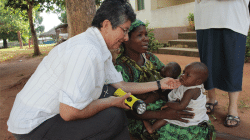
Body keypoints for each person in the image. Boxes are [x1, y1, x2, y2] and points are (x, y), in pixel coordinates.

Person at [7, 1, 187, 140]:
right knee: (114, 117)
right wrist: (111, 102)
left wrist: (159, 83)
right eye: (124, 31)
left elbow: (120, 84)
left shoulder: (97, 47)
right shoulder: (87, 51)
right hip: (33, 128)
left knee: (110, 93)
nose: (125, 38)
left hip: (44, 117)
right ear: (107, 24)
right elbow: (69, 112)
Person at [115, 19, 194, 140]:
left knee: (199, 124)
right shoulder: (121, 67)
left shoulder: (149, 57)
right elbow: (127, 109)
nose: (146, 38)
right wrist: (165, 114)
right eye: (139, 35)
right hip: (141, 117)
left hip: (164, 107)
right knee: (183, 133)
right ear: (126, 39)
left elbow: (169, 76)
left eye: (146, 34)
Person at [194, 0, 250, 127]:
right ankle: (211, 98)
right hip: (206, 16)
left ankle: (233, 107)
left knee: (233, 64)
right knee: (207, 62)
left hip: (233, 16)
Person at [143, 62, 216, 140]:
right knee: (167, 112)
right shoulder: (189, 84)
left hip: (189, 116)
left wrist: (168, 103)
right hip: (185, 109)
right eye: (183, 72)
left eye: (187, 75)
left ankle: (152, 128)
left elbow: (181, 106)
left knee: (166, 116)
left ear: (197, 82)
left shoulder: (192, 90)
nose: (182, 75)